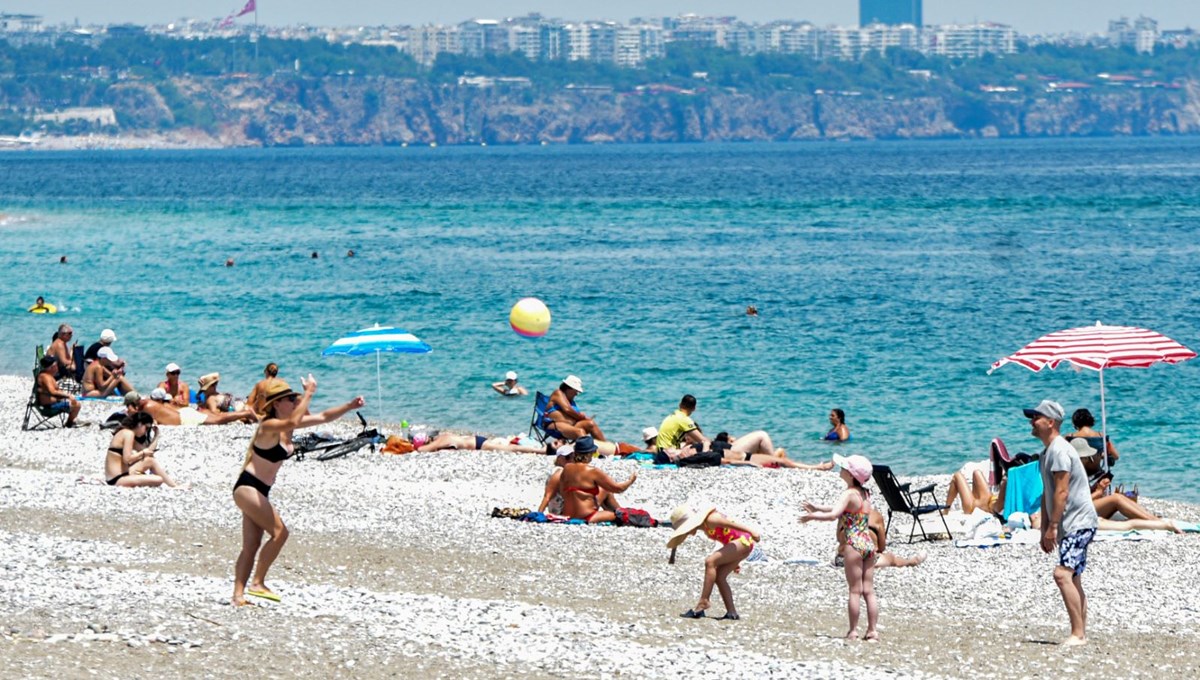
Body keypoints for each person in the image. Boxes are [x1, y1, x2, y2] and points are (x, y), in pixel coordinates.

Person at [231, 376, 365, 606]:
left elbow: (323, 417)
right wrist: (309, 393)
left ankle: (238, 596)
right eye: (290, 398)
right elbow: (293, 420)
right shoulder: (269, 425)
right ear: (276, 404)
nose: (295, 401)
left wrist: (349, 406)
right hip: (248, 486)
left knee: (251, 546)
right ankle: (257, 583)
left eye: (296, 398)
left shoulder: (290, 426)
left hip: (261, 489)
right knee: (280, 533)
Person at [1025, 398, 1098, 647]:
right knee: (1073, 577)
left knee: (1062, 574)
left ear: (1050, 422)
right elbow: (1048, 492)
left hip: (1079, 522)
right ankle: (1080, 632)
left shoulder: (1059, 450)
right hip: (1072, 523)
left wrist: (1053, 527)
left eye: (1036, 418)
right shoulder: (1046, 453)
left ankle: (1078, 634)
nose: (1032, 422)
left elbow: (1062, 492)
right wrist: (1045, 529)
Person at [800, 454, 880, 641]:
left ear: (851, 475)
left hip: (852, 543)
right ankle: (873, 630)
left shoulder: (848, 493)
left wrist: (812, 517)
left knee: (854, 590)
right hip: (868, 543)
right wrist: (816, 507)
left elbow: (835, 513)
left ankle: (853, 631)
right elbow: (843, 508)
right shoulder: (865, 494)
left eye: (844, 468)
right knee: (869, 590)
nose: (840, 470)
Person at [669, 504, 759, 621]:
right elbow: (726, 536)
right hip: (739, 544)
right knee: (720, 576)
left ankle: (703, 602)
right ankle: (731, 612)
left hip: (743, 541)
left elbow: (733, 525)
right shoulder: (706, 528)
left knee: (710, 561)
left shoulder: (711, 519)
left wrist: (752, 531)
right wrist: (733, 559)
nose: (687, 534)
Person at [1069, 439, 1159, 521]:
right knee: (1116, 498)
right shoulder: (1071, 473)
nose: (1089, 460)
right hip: (1076, 513)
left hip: (1079, 509)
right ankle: (1153, 521)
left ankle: (1151, 518)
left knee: (1119, 497)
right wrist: (1099, 492)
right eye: (1086, 457)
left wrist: (1098, 489)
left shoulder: (1074, 470)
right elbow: (1075, 502)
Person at [553, 437, 636, 523]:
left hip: (567, 515)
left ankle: (619, 510)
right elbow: (618, 489)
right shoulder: (593, 471)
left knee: (604, 490)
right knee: (621, 516)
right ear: (589, 453)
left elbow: (563, 491)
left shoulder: (567, 468)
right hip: (587, 516)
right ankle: (620, 512)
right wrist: (630, 481)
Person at [104, 412, 183, 488]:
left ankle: (174, 486)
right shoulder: (128, 434)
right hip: (116, 479)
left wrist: (156, 435)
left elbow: (148, 452)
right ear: (139, 424)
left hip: (122, 475)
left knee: (150, 460)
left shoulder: (126, 433)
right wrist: (142, 453)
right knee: (159, 479)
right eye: (146, 428)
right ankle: (173, 486)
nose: (146, 432)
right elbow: (127, 459)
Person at [833, 509, 927, 569]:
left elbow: (838, 538)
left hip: (843, 561)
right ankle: (912, 562)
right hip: (868, 561)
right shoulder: (876, 515)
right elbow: (882, 547)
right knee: (892, 558)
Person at [717, 431, 834, 470]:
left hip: (737, 454)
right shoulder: (710, 450)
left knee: (781, 459)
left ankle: (816, 467)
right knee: (782, 460)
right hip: (738, 456)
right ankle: (817, 468)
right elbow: (726, 461)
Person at [138, 389, 255, 426]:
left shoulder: (151, 408)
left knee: (219, 420)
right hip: (185, 412)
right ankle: (245, 415)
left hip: (185, 418)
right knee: (218, 416)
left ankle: (246, 414)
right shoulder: (164, 404)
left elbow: (154, 422)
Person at [545, 375, 606, 441]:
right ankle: (588, 450)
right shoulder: (558, 393)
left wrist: (582, 416)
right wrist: (582, 417)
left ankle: (607, 448)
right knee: (579, 431)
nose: (577, 394)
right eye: (576, 391)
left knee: (591, 423)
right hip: (555, 426)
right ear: (568, 388)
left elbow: (574, 414)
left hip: (572, 426)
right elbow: (567, 409)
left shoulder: (571, 401)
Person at [34, 355, 81, 427]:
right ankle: (69, 423)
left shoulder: (47, 375)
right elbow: (52, 391)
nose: (57, 367)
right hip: (49, 407)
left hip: (51, 403)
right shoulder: (45, 377)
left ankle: (72, 421)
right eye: (56, 365)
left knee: (73, 400)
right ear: (51, 367)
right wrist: (68, 396)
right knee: (77, 405)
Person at [417, 432, 546, 454]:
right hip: (476, 441)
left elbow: (422, 450)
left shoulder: (441, 441)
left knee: (511, 449)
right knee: (508, 447)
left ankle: (540, 451)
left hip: (479, 445)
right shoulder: (443, 436)